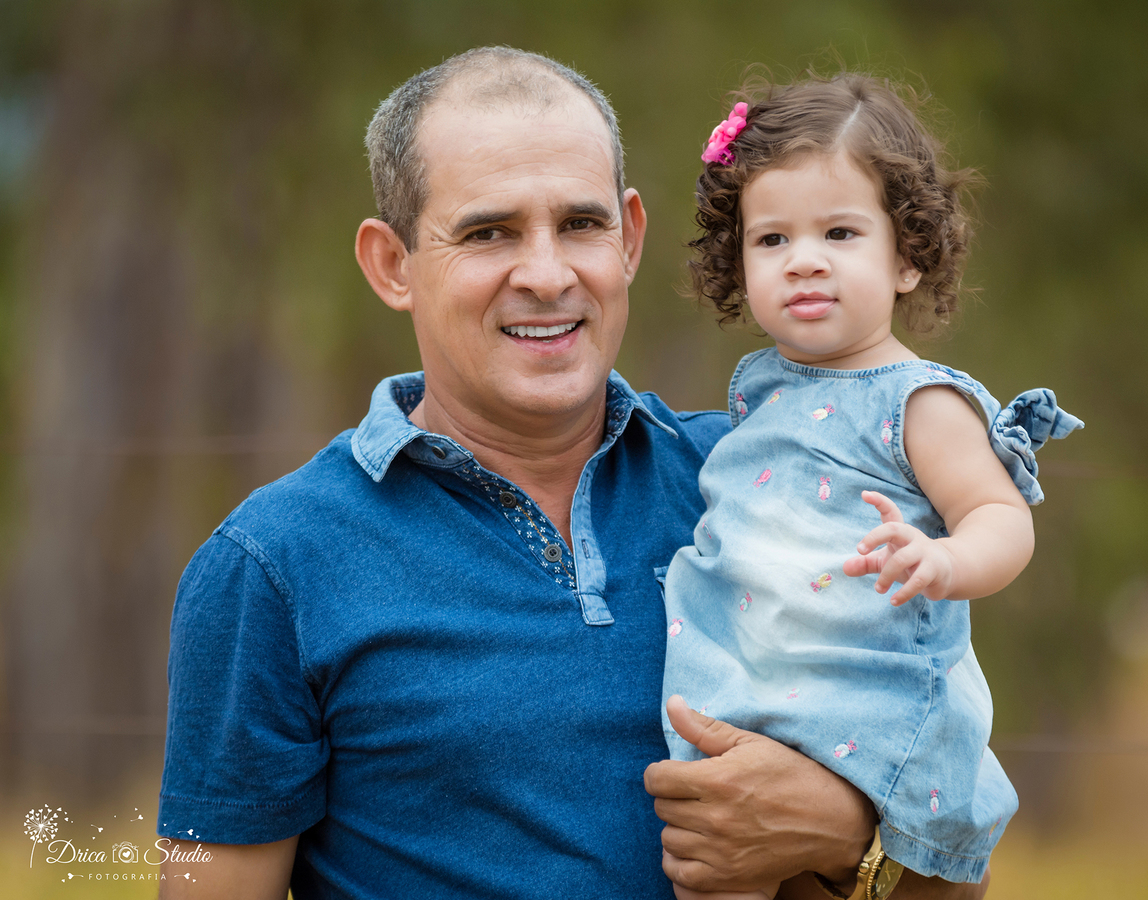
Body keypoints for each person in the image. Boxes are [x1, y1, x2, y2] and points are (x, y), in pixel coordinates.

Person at [157, 48, 992, 899]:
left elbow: (958, 870)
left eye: (582, 225)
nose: (549, 275)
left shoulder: (769, 484)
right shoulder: (272, 566)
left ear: (629, 238)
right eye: (489, 233)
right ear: (392, 265)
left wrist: (851, 838)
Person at [660, 75, 1083, 900]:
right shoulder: (761, 397)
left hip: (862, 704)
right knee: (712, 868)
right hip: (752, 697)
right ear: (737, 262)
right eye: (771, 239)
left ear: (908, 258)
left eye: (840, 232)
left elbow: (1001, 515)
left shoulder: (918, 400)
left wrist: (944, 561)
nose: (804, 259)